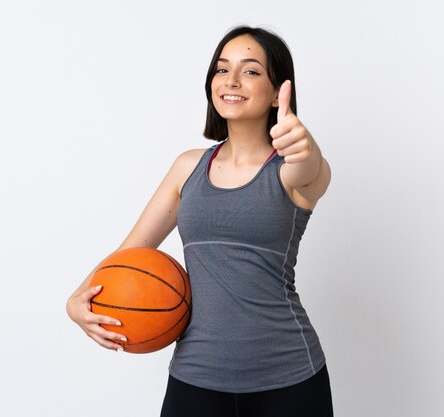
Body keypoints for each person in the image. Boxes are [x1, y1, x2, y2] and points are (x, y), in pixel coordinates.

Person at [66, 25, 333, 417]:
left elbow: (313, 170)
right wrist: (78, 298)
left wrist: (304, 147)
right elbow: (130, 254)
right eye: (222, 69)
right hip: (196, 377)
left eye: (252, 71)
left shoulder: (290, 172)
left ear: (278, 92)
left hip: (290, 378)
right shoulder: (187, 168)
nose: (233, 80)